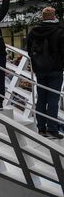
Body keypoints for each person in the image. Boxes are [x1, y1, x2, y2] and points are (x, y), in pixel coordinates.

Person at [27, 7, 64, 139]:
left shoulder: (34, 32)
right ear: (54, 17)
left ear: (42, 17)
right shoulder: (59, 32)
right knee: (53, 99)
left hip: (40, 70)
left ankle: (41, 128)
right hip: (55, 70)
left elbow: (29, 50)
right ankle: (52, 128)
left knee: (41, 98)